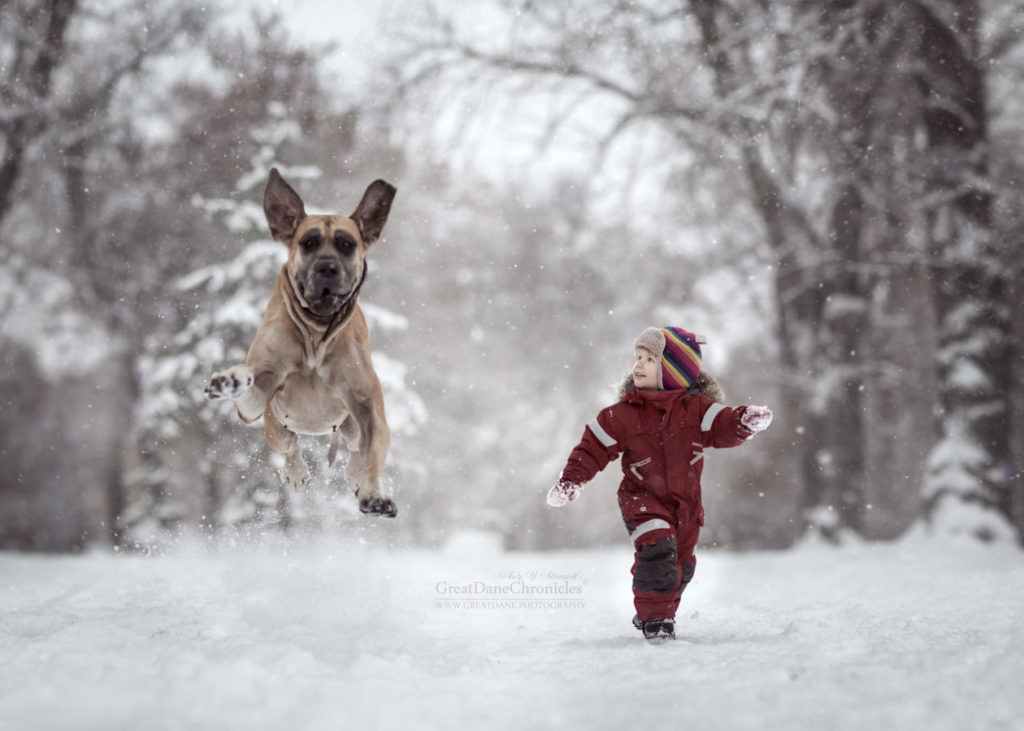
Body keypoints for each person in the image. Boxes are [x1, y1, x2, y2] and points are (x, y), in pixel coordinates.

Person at [547, 326, 773, 641]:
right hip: (641, 498)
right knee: (657, 547)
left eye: (649, 360)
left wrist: (742, 421)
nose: (637, 365)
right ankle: (658, 622)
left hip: (686, 506)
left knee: (681, 567)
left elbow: (721, 424)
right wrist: (572, 479)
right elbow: (592, 447)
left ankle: (654, 610)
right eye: (637, 358)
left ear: (672, 371)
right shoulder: (622, 415)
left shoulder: (697, 411)